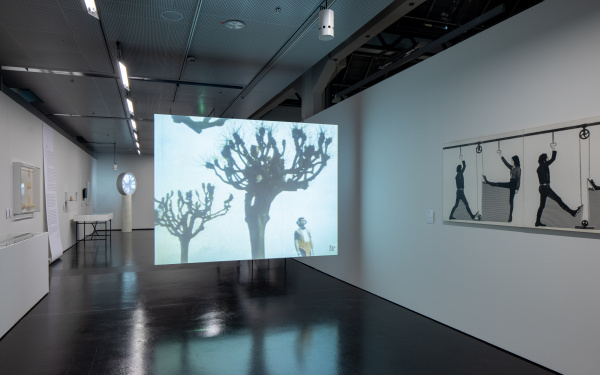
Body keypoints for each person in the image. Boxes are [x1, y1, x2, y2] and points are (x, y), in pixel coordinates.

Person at [535, 150, 582, 226]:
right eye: (546, 158)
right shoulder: (544, 166)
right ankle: (572, 212)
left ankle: (537, 222)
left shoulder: (540, 167)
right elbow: (553, 159)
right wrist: (554, 149)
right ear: (544, 159)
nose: (547, 159)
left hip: (542, 188)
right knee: (558, 200)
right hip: (545, 188)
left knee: (542, 206)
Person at [483, 154, 521, 222]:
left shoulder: (518, 168)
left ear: (515, 160)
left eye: (512, 160)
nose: (511, 161)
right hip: (511, 183)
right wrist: (501, 156)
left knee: (511, 200)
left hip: (514, 185)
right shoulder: (512, 167)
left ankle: (510, 216)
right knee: (498, 184)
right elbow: (506, 163)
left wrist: (517, 188)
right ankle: (487, 181)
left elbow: (518, 179)